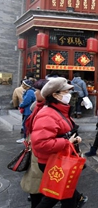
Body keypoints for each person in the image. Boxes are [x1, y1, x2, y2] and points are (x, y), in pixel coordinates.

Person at [30, 77, 87, 208]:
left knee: (63, 194)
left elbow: (63, 132)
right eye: (66, 92)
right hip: (53, 162)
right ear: (55, 95)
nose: (69, 94)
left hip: (60, 159)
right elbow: (41, 143)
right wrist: (67, 141)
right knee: (57, 195)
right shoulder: (47, 114)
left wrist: (73, 139)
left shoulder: (60, 110)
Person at [20, 79, 48, 208]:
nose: (34, 92)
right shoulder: (38, 106)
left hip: (39, 152)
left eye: (37, 90)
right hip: (34, 150)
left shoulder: (46, 110)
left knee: (38, 180)